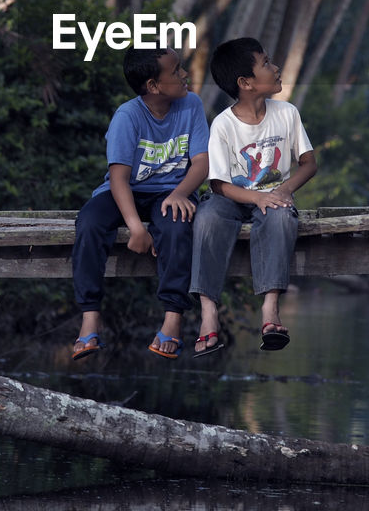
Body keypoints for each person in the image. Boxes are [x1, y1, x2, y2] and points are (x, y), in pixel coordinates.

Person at [71, 46, 209, 361]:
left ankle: (173, 318)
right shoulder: (127, 116)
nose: (185, 75)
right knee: (89, 223)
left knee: (176, 226)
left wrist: (179, 194)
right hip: (126, 191)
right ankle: (90, 316)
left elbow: (201, 164)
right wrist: (135, 227)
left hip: (171, 191)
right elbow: (118, 178)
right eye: (176, 71)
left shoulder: (191, 105)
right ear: (153, 86)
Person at [190, 38, 317, 355]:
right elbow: (218, 184)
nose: (275, 68)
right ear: (246, 83)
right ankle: (208, 313)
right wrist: (256, 197)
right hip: (230, 199)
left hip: (274, 197)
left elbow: (309, 163)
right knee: (205, 218)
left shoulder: (286, 113)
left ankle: (270, 309)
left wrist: (282, 191)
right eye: (267, 63)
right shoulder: (223, 124)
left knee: (281, 218)